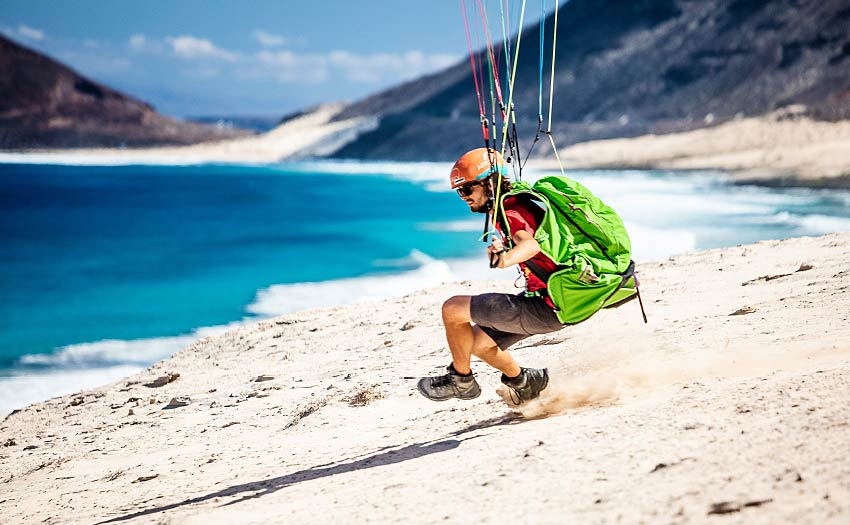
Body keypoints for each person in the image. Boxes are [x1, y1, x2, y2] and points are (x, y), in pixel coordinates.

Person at [417, 148, 565, 404]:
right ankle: (525, 382)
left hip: (547, 306)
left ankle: (460, 380)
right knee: (474, 343)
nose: (463, 197)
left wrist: (506, 258)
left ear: (488, 183)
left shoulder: (509, 211)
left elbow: (530, 246)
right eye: (459, 192)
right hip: (553, 300)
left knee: (453, 309)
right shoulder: (515, 205)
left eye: (466, 190)